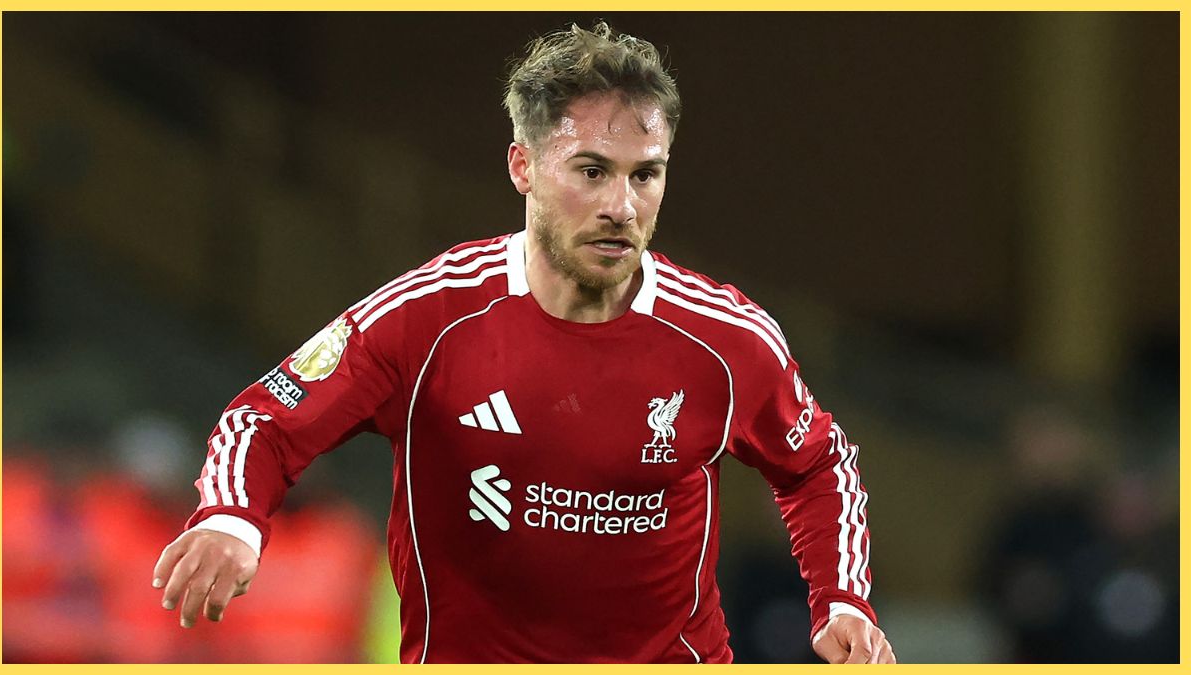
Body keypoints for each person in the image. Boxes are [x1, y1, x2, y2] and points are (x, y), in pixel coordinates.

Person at [152, 21, 895, 664]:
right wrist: (230, 516)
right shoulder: (430, 317)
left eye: (646, 176)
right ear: (523, 168)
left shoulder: (723, 338)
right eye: (592, 171)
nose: (620, 206)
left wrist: (843, 597)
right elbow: (265, 420)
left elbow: (818, 462)